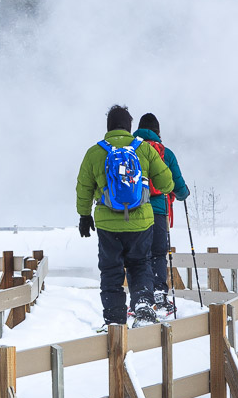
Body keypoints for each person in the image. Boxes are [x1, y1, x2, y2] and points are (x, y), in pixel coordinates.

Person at [76, 105, 174, 328]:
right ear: (129, 127)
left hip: (107, 225)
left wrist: (84, 215)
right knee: (140, 264)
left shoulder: (94, 152)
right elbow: (167, 183)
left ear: (109, 126)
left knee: (111, 270)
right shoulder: (144, 149)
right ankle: (142, 307)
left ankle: (114, 320)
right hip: (141, 222)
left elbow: (83, 187)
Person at [133, 113, 190, 317]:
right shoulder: (166, 153)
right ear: (157, 132)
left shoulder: (131, 151)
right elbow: (177, 184)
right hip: (158, 211)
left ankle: (142, 297)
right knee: (158, 254)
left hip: (135, 211)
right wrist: (184, 193)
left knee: (140, 256)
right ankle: (159, 293)